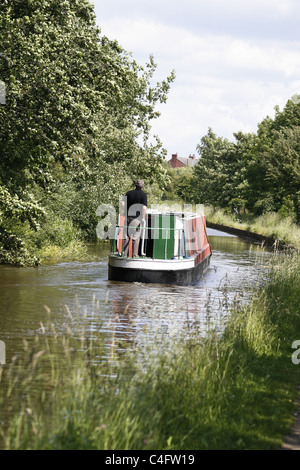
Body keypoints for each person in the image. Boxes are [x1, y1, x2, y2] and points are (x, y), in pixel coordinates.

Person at [121, 179, 147, 258]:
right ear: (142, 186)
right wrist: (143, 218)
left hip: (128, 217)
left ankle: (125, 255)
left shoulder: (129, 193)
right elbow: (144, 208)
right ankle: (135, 255)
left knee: (126, 237)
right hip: (137, 219)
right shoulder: (143, 195)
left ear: (135, 185)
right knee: (136, 237)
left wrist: (125, 210)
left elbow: (122, 202)